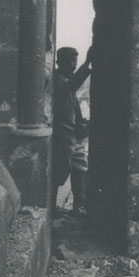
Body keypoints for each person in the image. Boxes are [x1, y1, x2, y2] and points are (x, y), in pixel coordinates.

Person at [52, 46, 93, 217]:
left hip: (73, 136)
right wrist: (87, 63)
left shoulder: (67, 79)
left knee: (80, 169)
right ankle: (52, 207)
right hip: (62, 136)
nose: (72, 64)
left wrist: (82, 124)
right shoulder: (58, 79)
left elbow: (73, 108)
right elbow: (70, 87)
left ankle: (79, 206)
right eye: (69, 60)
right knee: (58, 172)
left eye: (74, 60)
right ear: (58, 62)